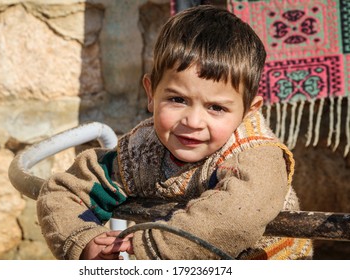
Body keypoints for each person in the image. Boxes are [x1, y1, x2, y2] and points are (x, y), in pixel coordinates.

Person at [37, 5, 313, 260]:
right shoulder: (140, 152)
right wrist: (83, 240)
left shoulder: (257, 157)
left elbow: (236, 216)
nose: (193, 121)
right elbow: (65, 190)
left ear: (248, 111)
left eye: (216, 107)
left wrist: (152, 245)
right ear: (151, 93)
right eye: (177, 100)